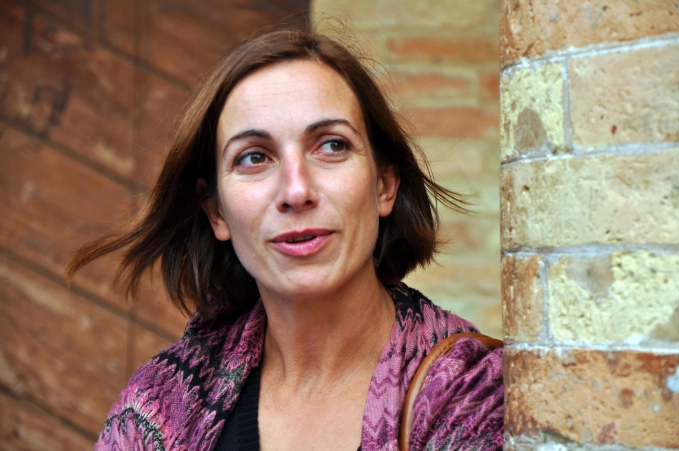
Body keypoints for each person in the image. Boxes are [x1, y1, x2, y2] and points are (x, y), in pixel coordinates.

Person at [68, 26, 503, 451]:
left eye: (332, 146)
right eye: (254, 157)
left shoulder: (476, 396)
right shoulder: (157, 408)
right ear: (216, 212)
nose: (296, 191)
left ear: (384, 186)